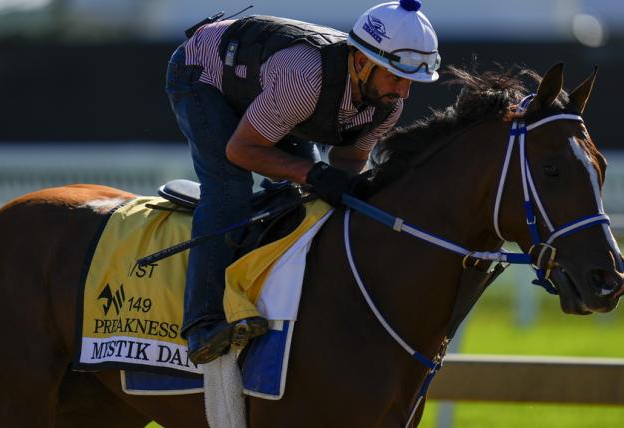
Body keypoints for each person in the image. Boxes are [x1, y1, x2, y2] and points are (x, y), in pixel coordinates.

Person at [165, 0, 441, 364]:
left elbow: (348, 162)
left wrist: (338, 184)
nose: (403, 92)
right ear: (361, 61)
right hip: (203, 74)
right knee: (230, 189)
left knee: (311, 201)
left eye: (411, 81)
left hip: (270, 90)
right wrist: (311, 173)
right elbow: (241, 150)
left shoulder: (387, 104)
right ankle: (202, 322)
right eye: (395, 76)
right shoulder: (306, 79)